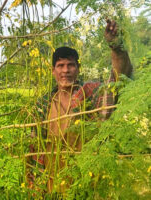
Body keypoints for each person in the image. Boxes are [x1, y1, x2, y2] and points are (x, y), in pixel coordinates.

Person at [27, 19, 133, 196]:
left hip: (85, 180)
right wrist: (35, 183)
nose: (65, 71)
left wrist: (116, 47)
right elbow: (34, 148)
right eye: (60, 66)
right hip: (51, 184)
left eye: (70, 65)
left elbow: (118, 79)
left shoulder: (90, 94)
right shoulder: (43, 103)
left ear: (78, 69)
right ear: (53, 71)